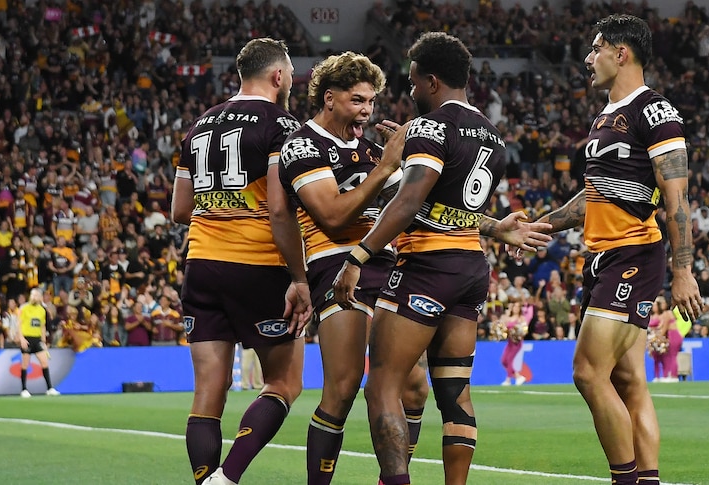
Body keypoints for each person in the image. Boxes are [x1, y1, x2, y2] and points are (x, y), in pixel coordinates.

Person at [332, 32, 552, 485]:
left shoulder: (433, 126)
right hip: (470, 269)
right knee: (454, 393)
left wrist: (358, 256)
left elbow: (410, 202)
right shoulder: (495, 138)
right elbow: (457, 208)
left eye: (413, 82)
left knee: (383, 386)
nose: (410, 91)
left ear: (432, 81)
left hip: (426, 268)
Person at [532, 15, 703, 484]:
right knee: (629, 383)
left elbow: (677, 199)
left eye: (595, 49)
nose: (588, 59)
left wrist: (682, 272)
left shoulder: (655, 112)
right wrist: (537, 225)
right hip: (602, 256)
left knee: (587, 372)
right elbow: (593, 195)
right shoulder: (605, 117)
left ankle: (624, 479)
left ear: (620, 52)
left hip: (633, 255)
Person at [278, 51, 430, 485]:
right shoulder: (303, 145)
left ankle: (392, 478)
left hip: (385, 263)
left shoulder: (370, 149)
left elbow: (414, 207)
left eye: (371, 102)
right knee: (342, 389)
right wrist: (385, 167)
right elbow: (331, 215)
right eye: (358, 101)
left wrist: (495, 228)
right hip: (335, 264)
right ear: (329, 98)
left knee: (416, 387)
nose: (367, 111)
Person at [171, 38, 312, 485]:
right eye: (290, 74)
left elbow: (179, 209)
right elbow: (279, 207)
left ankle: (206, 480)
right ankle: (226, 478)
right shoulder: (282, 123)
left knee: (208, 394)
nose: (291, 81)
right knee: (284, 384)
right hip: (257, 264)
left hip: (202, 262)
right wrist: (299, 276)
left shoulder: (197, 127)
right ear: (277, 76)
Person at [17, 288, 60, 397]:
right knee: (25, 364)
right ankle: (24, 389)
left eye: (36, 295)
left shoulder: (42, 310)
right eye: (32, 295)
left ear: (40, 297)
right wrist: (21, 338)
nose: (34, 297)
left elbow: (42, 327)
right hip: (27, 338)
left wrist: (43, 342)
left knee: (44, 362)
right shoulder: (24, 308)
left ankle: (50, 388)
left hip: (37, 339)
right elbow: (19, 324)